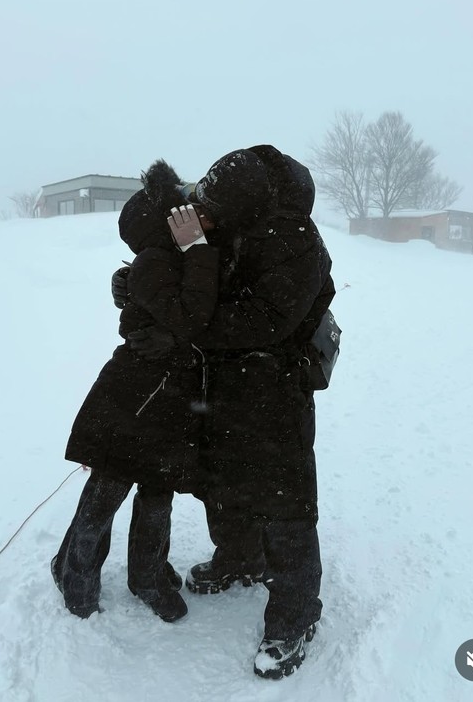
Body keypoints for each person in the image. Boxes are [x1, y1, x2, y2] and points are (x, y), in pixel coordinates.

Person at [127, 145, 335, 679]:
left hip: (275, 386)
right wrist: (135, 285)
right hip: (218, 380)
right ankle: (239, 557)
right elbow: (184, 273)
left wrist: (187, 326)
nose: (207, 217)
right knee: (220, 479)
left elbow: (267, 320)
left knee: (285, 501)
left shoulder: (296, 241)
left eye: (216, 209)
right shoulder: (224, 223)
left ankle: (295, 613)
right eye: (205, 205)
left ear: (248, 206)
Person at [52, 159, 219, 623]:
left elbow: (194, 317)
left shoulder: (176, 257)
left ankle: (145, 574)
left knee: (158, 491)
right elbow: (191, 318)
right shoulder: (154, 263)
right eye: (182, 210)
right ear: (166, 224)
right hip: (135, 396)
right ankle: (74, 575)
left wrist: (198, 252)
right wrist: (199, 249)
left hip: (167, 397)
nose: (193, 213)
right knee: (107, 489)